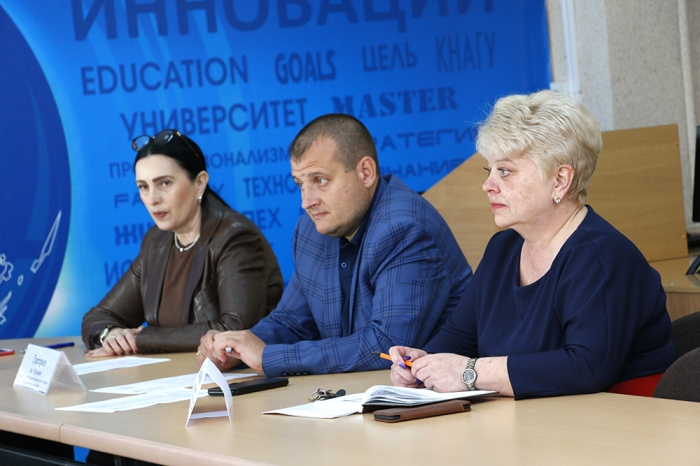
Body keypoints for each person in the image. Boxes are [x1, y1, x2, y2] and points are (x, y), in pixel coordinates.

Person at [389, 90, 677, 399]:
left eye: (505, 171)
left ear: (560, 180)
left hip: (621, 416)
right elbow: (458, 339)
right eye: (489, 171)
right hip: (537, 416)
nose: (488, 185)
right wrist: (421, 363)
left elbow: (586, 368)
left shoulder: (603, 256)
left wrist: (470, 373)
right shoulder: (502, 249)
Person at [200, 113, 472, 375]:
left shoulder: (404, 229)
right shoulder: (311, 230)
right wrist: (236, 347)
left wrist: (268, 357)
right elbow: (292, 322)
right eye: (300, 184)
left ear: (365, 173)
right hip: (356, 391)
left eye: (320, 180)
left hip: (431, 395)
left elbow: (386, 346)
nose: (307, 202)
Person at [82, 129, 283, 356]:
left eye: (165, 183)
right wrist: (111, 336)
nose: (152, 198)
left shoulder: (235, 237)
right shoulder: (156, 242)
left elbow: (236, 329)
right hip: (174, 373)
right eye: (143, 187)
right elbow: (98, 317)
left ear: (200, 183)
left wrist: (141, 339)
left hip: (236, 373)